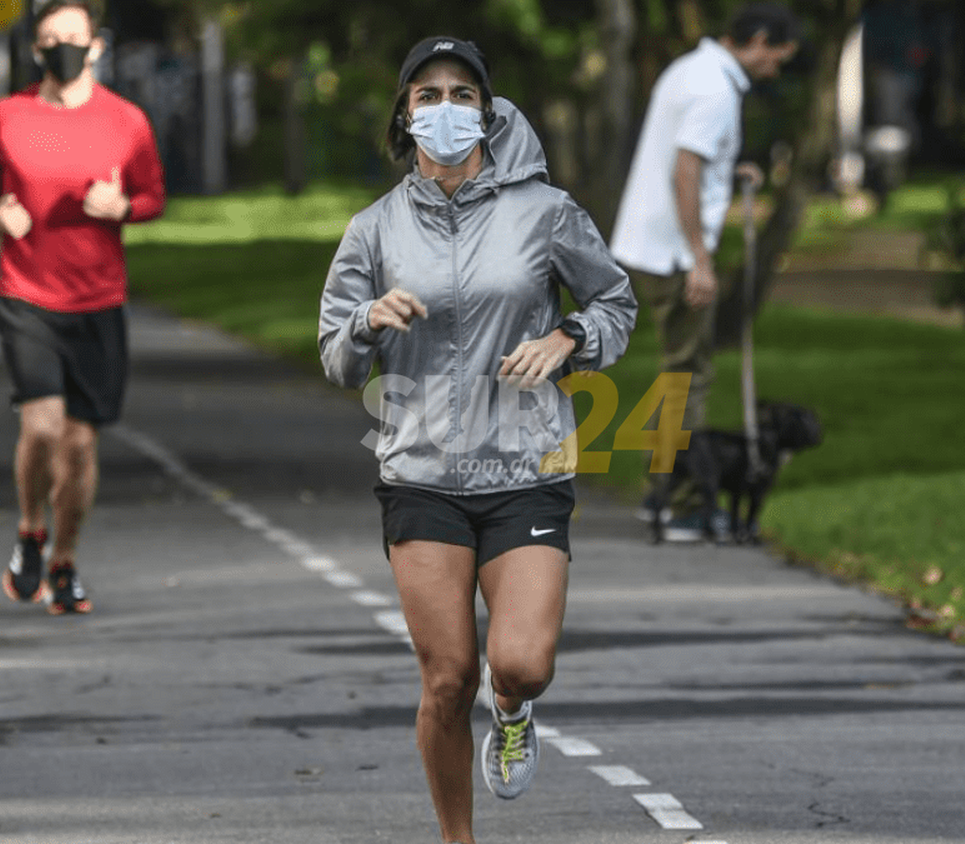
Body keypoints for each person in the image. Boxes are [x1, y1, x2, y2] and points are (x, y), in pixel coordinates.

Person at [319, 37, 636, 844]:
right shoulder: (374, 229)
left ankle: (515, 708)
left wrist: (568, 338)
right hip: (421, 471)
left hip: (525, 465)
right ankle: (457, 838)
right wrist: (366, 321)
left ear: (487, 114)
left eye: (463, 94)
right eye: (428, 95)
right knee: (446, 677)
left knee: (520, 662)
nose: (446, 108)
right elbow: (333, 351)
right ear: (406, 113)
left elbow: (615, 303)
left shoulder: (546, 211)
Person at [0, 0, 165, 615]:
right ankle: (31, 529)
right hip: (26, 293)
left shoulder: (127, 121)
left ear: (96, 46)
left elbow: (153, 193)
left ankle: (64, 559)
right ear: (36, 49)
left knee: (80, 446)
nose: (63, 48)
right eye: (51, 38)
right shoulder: (8, 115)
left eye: (73, 38)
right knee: (42, 427)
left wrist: (124, 208)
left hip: (97, 299)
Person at [609, 4, 800, 540]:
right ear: (759, 40)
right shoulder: (715, 89)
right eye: (777, 58)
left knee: (679, 374)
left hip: (647, 240)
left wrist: (730, 164)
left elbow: (692, 155)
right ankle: (675, 499)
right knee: (688, 377)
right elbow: (685, 170)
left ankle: (661, 493)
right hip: (673, 251)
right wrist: (700, 258)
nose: (775, 69)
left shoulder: (689, 69)